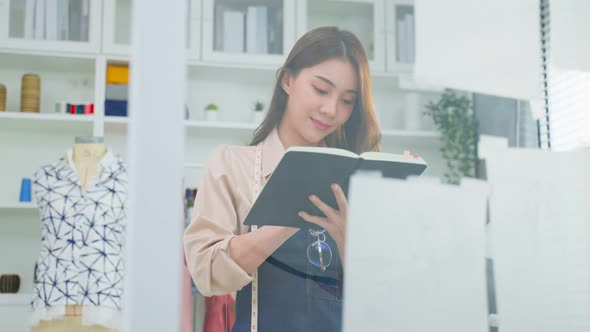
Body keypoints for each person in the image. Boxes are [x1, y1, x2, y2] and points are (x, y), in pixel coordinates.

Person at [183, 26, 381, 332]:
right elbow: (207, 274)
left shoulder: (357, 177)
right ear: (288, 80)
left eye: (347, 100)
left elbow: (379, 298)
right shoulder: (232, 165)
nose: (331, 110)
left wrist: (349, 244)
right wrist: (289, 215)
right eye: (321, 90)